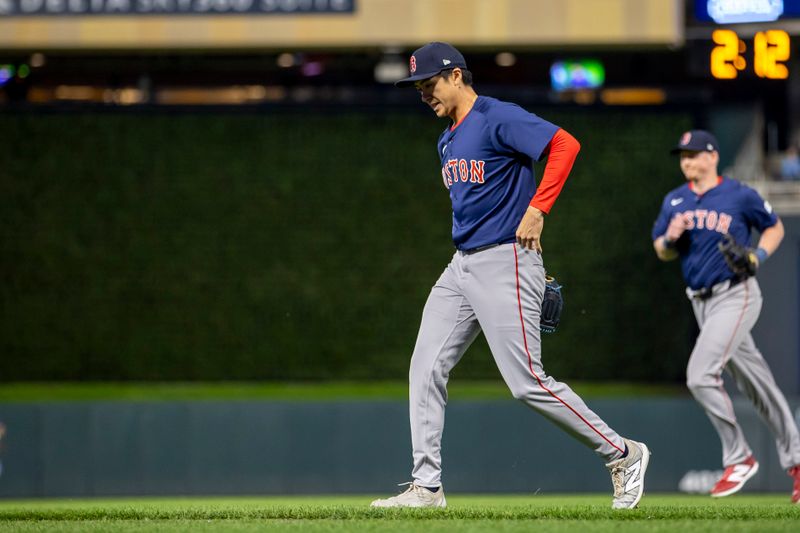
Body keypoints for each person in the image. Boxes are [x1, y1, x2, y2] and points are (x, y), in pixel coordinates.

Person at [370, 42, 650, 510]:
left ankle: (623, 454)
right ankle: (427, 487)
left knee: (527, 382)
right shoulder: (447, 139)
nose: (423, 93)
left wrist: (538, 208)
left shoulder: (498, 117)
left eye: (430, 82)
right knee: (424, 367)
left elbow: (565, 144)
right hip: (462, 265)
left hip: (508, 258)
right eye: (417, 87)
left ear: (457, 76)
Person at [652, 129, 800, 503]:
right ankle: (798, 461)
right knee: (758, 383)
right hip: (700, 302)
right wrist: (670, 238)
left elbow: (775, 227)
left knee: (700, 376)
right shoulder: (675, 201)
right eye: (682, 155)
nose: (687, 161)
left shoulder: (739, 194)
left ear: (712, 156)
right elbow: (661, 251)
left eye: (693, 154)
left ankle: (739, 458)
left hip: (735, 294)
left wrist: (756, 256)